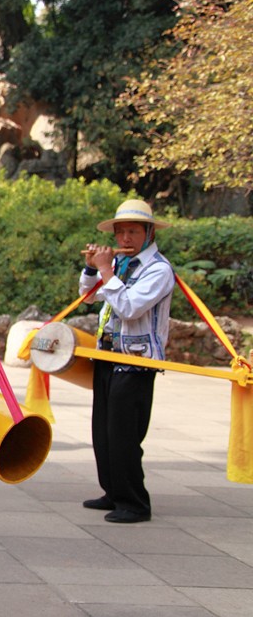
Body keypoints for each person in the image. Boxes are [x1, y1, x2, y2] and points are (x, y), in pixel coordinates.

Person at [80, 200, 173, 524]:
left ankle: (134, 502)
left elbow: (130, 307)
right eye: (121, 232)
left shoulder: (158, 269)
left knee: (124, 434)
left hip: (136, 361)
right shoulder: (122, 265)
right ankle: (113, 491)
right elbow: (89, 296)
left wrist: (106, 270)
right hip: (107, 355)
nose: (125, 239)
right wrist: (94, 268)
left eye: (133, 231)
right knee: (103, 431)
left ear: (149, 233)